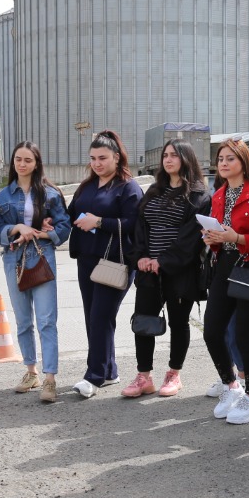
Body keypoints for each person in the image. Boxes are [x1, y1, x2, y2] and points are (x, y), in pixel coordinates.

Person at [124, 139, 210, 398]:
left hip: (179, 270)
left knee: (178, 322)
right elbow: (141, 226)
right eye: (166, 155)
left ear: (187, 159)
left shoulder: (198, 195)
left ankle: (174, 374)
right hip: (148, 269)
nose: (168, 159)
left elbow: (191, 237)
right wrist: (141, 256)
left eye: (175, 155)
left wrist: (164, 261)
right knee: (143, 319)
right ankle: (144, 376)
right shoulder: (153, 190)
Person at [0, 141, 72, 403]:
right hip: (13, 259)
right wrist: (17, 228)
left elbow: (64, 226)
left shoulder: (50, 194)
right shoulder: (4, 195)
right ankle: (30, 372)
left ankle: (50, 379)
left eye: (28, 160)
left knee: (47, 320)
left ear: (37, 163)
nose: (22, 164)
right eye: (18, 160)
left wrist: (45, 234)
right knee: (23, 320)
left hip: (42, 256)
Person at [67, 131, 142, 397]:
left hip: (114, 262)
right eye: (93, 158)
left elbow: (134, 224)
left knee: (101, 317)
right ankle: (109, 371)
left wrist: (99, 222)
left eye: (102, 158)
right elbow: (70, 214)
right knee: (93, 318)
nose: (97, 163)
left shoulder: (128, 187)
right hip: (86, 260)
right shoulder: (87, 186)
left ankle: (94, 376)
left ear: (117, 157)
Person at [203, 138, 249, 425]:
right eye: (221, 158)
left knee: (244, 334)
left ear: (243, 161)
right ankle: (231, 386)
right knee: (212, 330)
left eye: (230, 158)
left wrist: (237, 238)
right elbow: (216, 228)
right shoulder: (218, 194)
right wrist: (211, 237)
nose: (224, 163)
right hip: (223, 264)